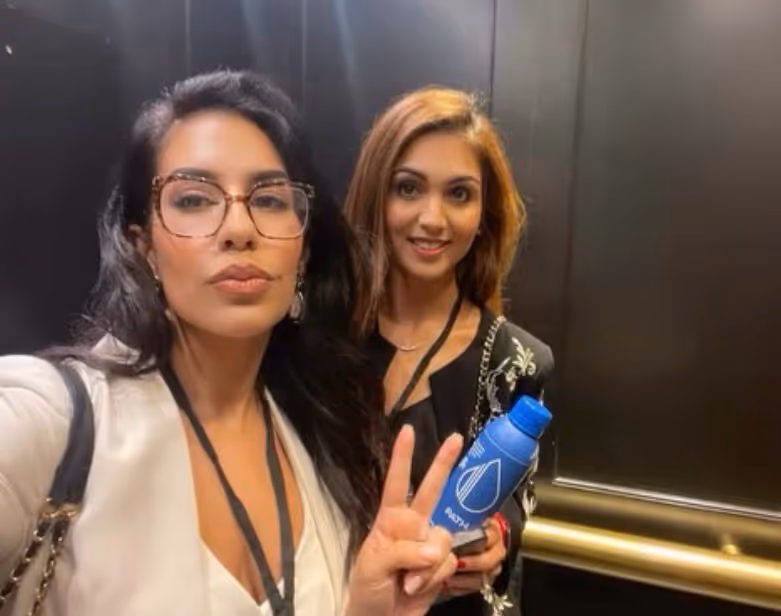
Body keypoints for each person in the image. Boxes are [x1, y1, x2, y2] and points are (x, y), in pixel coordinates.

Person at [0, 71, 462, 616]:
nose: (239, 228)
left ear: (303, 250)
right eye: (195, 199)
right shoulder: (52, 418)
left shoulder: (322, 439)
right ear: (144, 247)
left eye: (269, 200)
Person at [345, 87, 554, 616]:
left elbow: (517, 498)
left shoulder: (517, 361)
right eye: (408, 188)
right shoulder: (320, 336)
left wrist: (494, 537)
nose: (433, 218)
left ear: (484, 213)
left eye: (459, 194)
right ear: (375, 195)